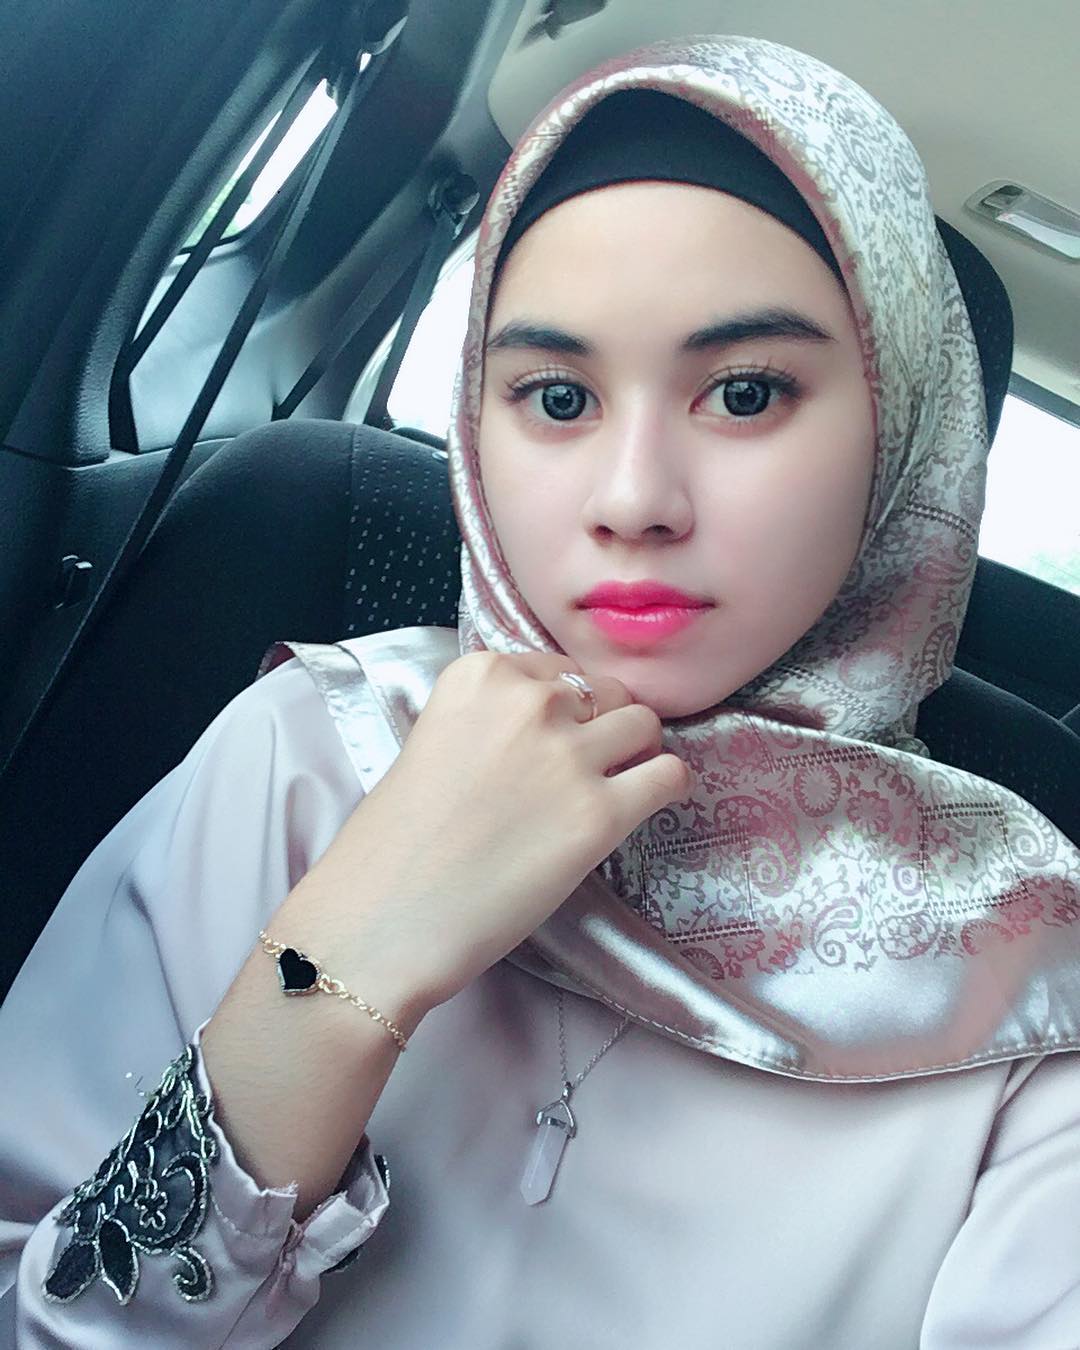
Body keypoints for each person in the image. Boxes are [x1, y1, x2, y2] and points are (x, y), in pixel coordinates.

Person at [2, 33, 1079, 1349]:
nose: (633, 499)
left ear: (904, 428)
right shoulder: (306, 754)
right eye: (557, 396)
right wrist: (338, 963)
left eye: (745, 393)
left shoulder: (1031, 988)